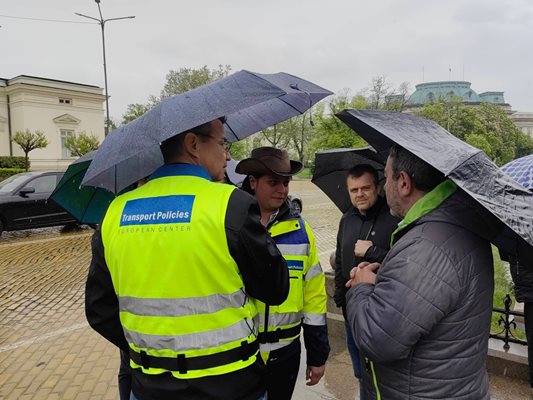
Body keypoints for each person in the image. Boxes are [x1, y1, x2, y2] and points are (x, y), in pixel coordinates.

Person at [85, 118, 290, 400]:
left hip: (148, 387)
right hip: (231, 383)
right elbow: (275, 289)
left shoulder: (115, 212)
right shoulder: (231, 203)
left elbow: (99, 310)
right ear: (193, 144)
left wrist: (154, 351)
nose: (227, 155)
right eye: (222, 143)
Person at [345, 144, 495, 399]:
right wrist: (388, 281)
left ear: (403, 182)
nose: (385, 185)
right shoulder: (454, 225)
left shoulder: (425, 246)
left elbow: (377, 338)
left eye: (386, 176)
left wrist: (362, 286)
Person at [236, 147, 330, 400]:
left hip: (286, 355)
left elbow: (314, 297)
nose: (283, 189)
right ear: (253, 182)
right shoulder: (232, 228)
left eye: (286, 182)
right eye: (273, 182)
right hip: (241, 356)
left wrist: (318, 355)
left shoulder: (302, 231)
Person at [333, 164, 399, 398]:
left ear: (377, 187)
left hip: (384, 315)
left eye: (365, 188)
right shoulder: (347, 219)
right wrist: (340, 300)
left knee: (382, 376)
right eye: (354, 190)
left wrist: (373, 251)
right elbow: (340, 262)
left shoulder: (394, 217)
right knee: (361, 373)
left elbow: (404, 263)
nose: (359, 194)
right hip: (352, 313)